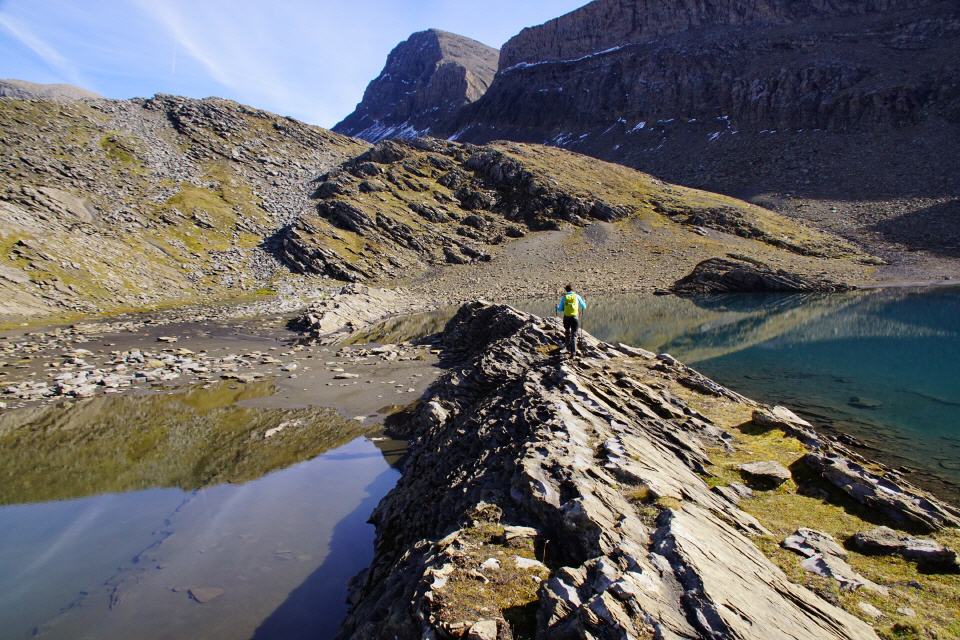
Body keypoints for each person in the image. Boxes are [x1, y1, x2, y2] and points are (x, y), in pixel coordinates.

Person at [556, 284, 587, 357]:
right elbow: (584, 307)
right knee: (574, 335)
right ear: (573, 290)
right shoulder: (577, 296)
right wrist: (583, 301)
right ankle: (573, 353)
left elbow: (560, 309)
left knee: (567, 332)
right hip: (574, 318)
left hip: (566, 317)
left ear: (566, 290)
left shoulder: (564, 297)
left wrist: (556, 307)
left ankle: (567, 348)